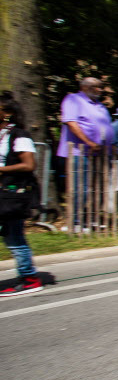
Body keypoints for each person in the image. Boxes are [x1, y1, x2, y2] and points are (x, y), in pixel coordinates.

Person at [58, 77, 115, 231]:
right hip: (80, 152)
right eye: (97, 87)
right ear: (85, 87)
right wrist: (89, 142)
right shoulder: (73, 99)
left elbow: (106, 126)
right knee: (79, 188)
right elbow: (71, 122)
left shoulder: (100, 106)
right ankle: (74, 221)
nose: (100, 90)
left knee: (96, 189)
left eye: (101, 87)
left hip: (100, 153)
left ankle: (89, 219)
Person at [0, 92, 43, 297]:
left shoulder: (19, 135)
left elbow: (29, 164)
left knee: (14, 237)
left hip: (10, 194)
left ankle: (29, 278)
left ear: (7, 113)